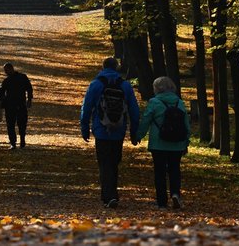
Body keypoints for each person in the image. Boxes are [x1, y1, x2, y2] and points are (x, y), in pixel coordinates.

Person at [80, 57, 140, 209]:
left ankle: (108, 196)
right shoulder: (125, 85)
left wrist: (85, 127)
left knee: (104, 163)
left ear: (103, 67)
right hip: (119, 131)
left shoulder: (95, 84)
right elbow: (134, 109)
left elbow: (86, 108)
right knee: (114, 163)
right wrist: (134, 131)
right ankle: (111, 193)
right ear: (117, 67)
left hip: (101, 130)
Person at [135, 76, 190, 210]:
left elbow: (146, 121)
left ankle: (161, 202)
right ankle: (175, 194)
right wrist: (186, 142)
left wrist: (138, 136)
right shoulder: (179, 102)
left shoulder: (154, 102)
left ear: (156, 89)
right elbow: (186, 124)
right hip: (177, 144)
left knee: (159, 172)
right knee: (174, 170)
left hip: (158, 144)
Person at [0, 63, 33, 149]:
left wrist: (29, 99)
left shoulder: (22, 78)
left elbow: (29, 88)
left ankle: (21, 141)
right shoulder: (8, 80)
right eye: (5, 71)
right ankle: (13, 142)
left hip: (19, 104)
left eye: (6, 70)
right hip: (11, 105)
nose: (5, 72)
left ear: (11, 68)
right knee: (11, 125)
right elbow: (1, 92)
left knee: (21, 124)